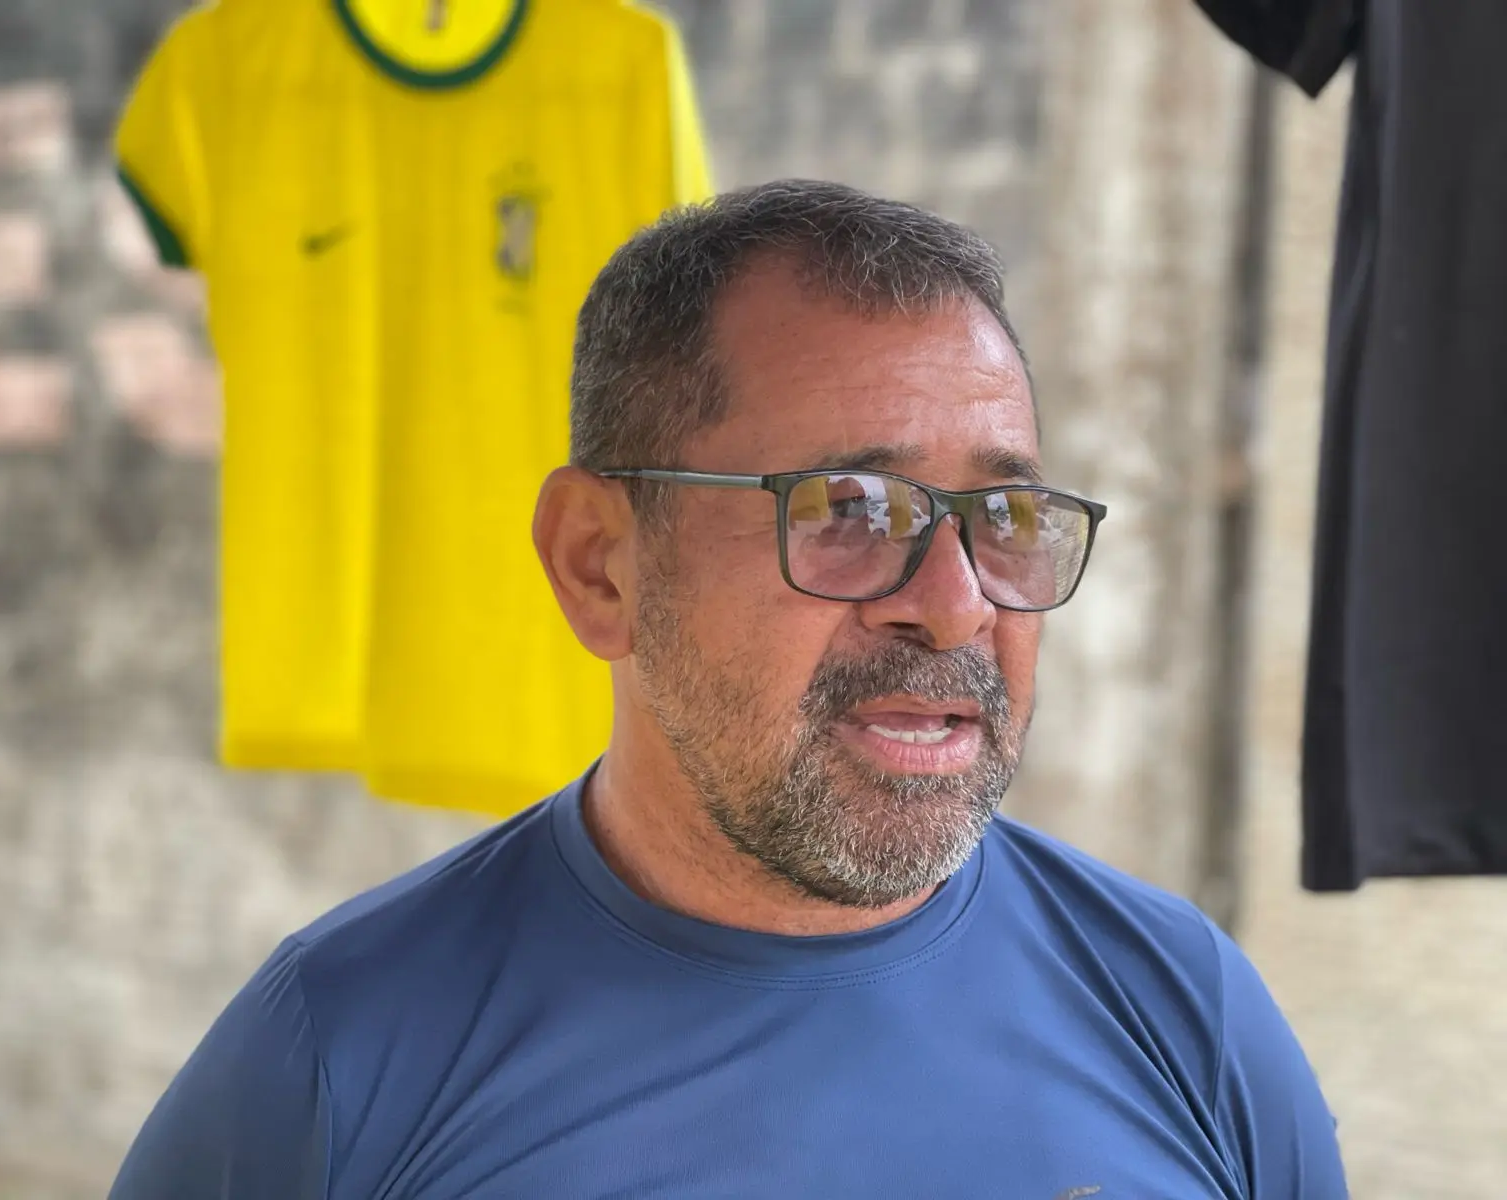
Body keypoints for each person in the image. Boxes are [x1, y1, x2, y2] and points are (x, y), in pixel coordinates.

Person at [109, 180, 1347, 1198]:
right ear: (600, 565)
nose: (954, 604)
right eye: (850, 510)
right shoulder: (340, 1060)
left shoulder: (1183, 1013)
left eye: (1007, 517)